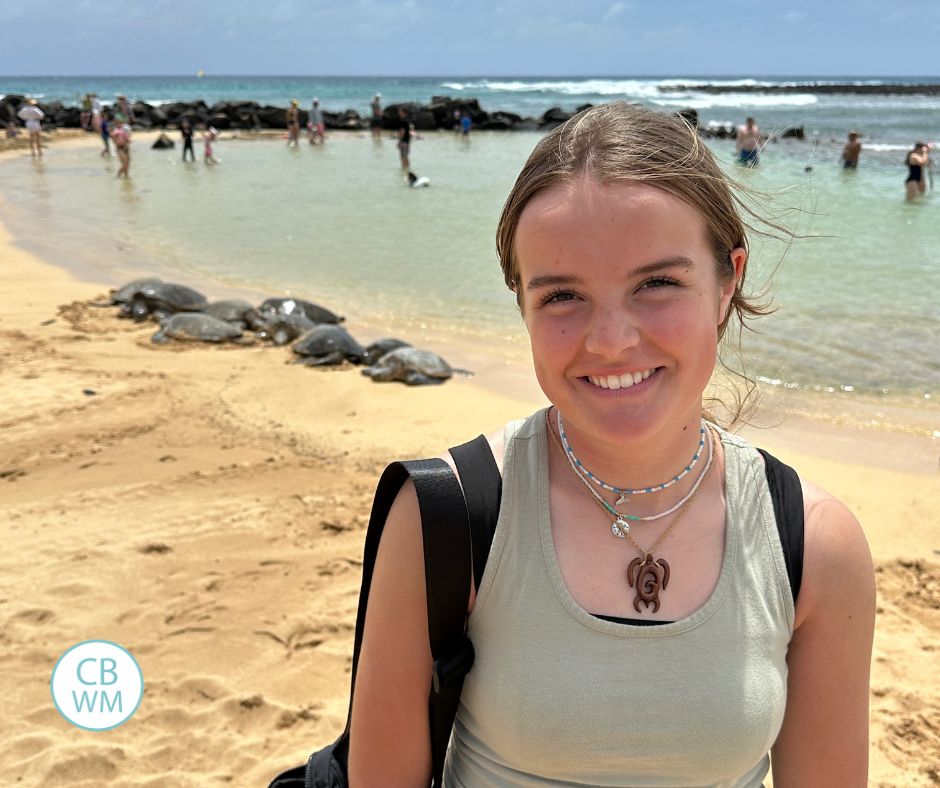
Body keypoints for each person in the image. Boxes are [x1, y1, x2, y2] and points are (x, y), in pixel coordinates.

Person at [347, 102, 875, 786]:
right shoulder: (445, 516)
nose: (611, 340)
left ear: (727, 282)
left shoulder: (812, 542)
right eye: (562, 296)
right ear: (523, 307)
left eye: (657, 283)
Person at [397, 106, 412, 171]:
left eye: (400, 111)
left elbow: (402, 132)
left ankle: (404, 170)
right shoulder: (407, 121)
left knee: (403, 157)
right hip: (407, 141)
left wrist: (399, 141)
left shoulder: (403, 121)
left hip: (403, 141)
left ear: (404, 112)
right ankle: (407, 170)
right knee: (406, 157)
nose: (399, 113)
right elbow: (410, 131)